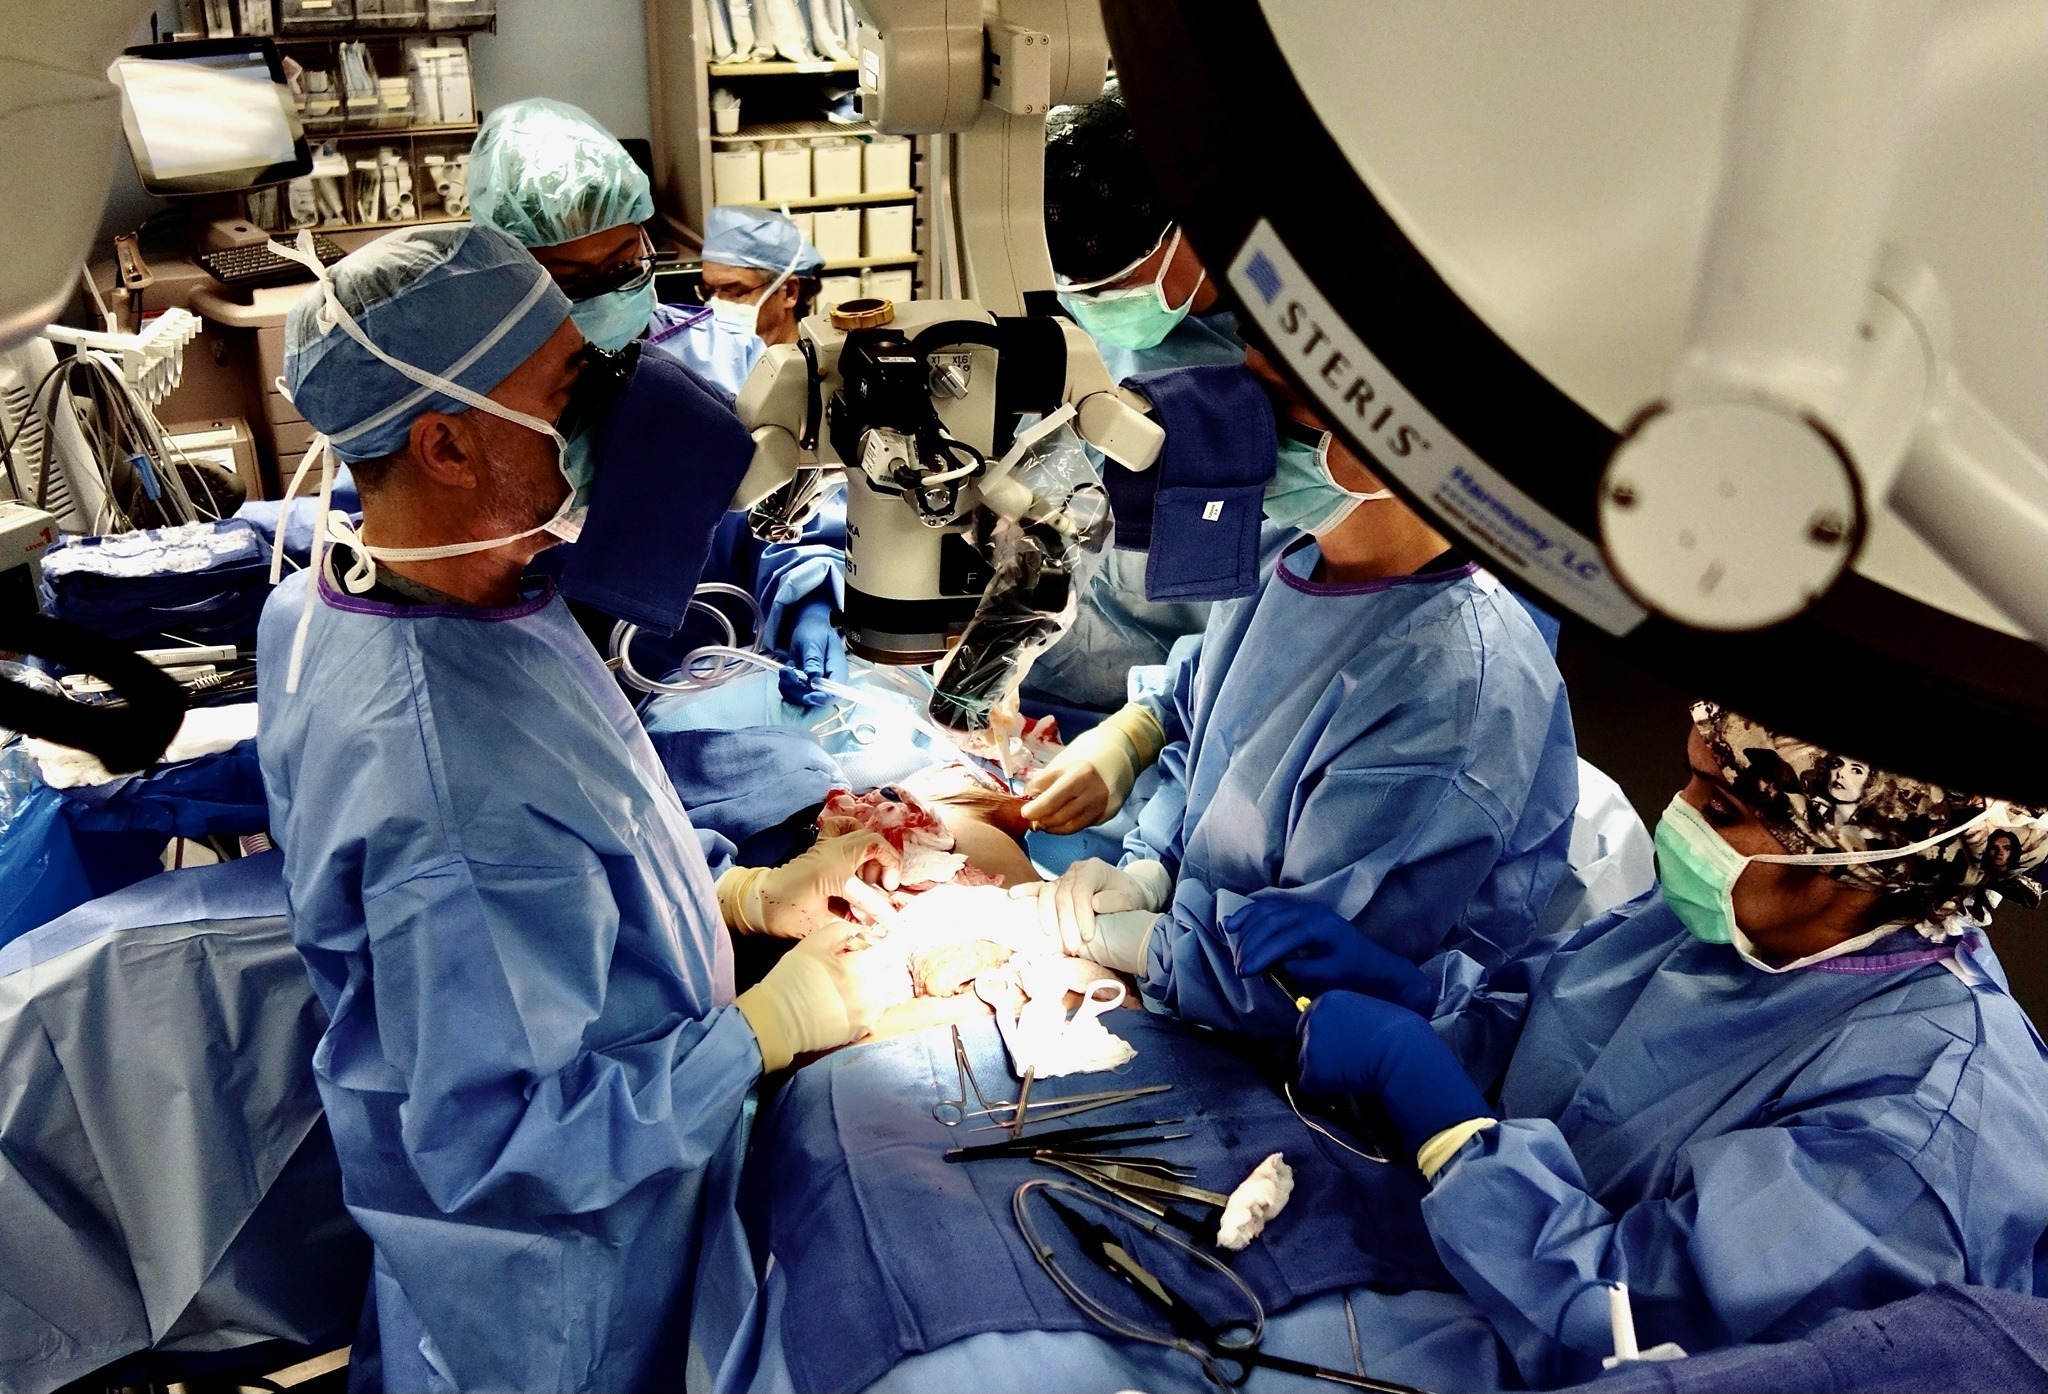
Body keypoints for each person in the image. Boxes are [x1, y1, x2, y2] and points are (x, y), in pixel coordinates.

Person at [255, 223, 914, 1393]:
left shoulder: (413, 592)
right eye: (575, 387)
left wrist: (742, 895)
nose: (619, 402)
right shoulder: (441, 781)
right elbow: (511, 1141)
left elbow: (570, 867)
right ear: (448, 442)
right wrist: (767, 1031)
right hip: (565, 1299)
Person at [1251, 702, 2048, 1387]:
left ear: (1854, 870)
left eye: (1724, 806)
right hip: (1463, 1272)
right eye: (1690, 777)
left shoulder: (1921, 1128)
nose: (1682, 813)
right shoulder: (1733, 918)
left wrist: (1454, 1131)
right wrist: (1414, 997)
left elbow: (1639, 1342)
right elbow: (1550, 1014)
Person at [1015, 365, 1579, 1041]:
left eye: (1281, 400)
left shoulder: (1449, 686)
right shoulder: (1292, 554)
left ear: (1398, 440)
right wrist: (1149, 870)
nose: (1242, 415)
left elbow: (1322, 977)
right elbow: (1206, 743)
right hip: (1201, 974)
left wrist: (1151, 949)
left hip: (1313, 1054)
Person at [1014, 79, 1257, 721]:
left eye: (1115, 282)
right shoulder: (1065, 320)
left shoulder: (1282, 375)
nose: (1091, 301)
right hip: (1042, 688)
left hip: (1182, 721)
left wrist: (1142, 733)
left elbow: (1272, 621)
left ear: (1197, 224)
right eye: (1075, 286)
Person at [468, 97, 762, 393]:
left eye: (623, 267)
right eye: (570, 283)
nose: (608, 304)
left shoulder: (732, 357)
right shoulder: (493, 394)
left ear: (642, 238)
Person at [697, 205, 826, 349]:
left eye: (733, 291)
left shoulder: (813, 370)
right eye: (708, 291)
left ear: (789, 292)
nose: (716, 308)